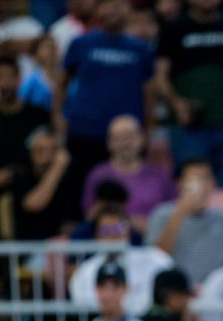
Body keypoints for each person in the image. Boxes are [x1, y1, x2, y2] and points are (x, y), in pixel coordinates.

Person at [55, 0, 155, 185]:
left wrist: (148, 130)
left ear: (128, 9)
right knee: (81, 187)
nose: (113, 10)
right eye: (107, 5)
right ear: (98, 9)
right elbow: (61, 83)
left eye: (119, 5)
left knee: (126, 189)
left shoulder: (141, 49)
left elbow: (148, 93)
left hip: (126, 137)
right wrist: (58, 117)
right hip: (84, 132)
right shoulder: (81, 43)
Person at [155, 0, 223, 188]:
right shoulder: (174, 28)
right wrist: (177, 105)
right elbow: (160, 78)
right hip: (190, 128)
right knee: (192, 190)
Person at [146, 159, 223, 286]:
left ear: (213, 183)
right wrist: (180, 213)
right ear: (179, 184)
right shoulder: (162, 215)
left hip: (215, 294)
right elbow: (154, 259)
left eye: (205, 179)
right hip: (173, 292)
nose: (200, 186)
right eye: (193, 180)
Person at [82, 115, 177, 237]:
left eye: (130, 137)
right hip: (110, 245)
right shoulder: (97, 175)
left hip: (152, 247)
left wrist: (136, 224)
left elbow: (173, 217)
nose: (125, 143)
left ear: (142, 138)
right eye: (119, 138)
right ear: (109, 142)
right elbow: (89, 219)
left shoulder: (161, 176)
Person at [69, 205, 173, 315]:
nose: (113, 234)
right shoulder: (85, 272)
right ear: (97, 236)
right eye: (106, 230)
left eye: (119, 228)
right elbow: (85, 312)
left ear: (129, 231)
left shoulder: (155, 260)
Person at [0, 56, 50, 198]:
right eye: (0, 77)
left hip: (31, 191)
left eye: (10, 77)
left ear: (19, 79)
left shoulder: (37, 116)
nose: (5, 83)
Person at [13, 128, 80, 241]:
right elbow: (35, 204)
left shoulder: (69, 178)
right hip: (31, 248)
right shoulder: (22, 176)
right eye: (40, 151)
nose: (46, 158)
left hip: (65, 247)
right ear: (31, 153)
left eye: (52, 151)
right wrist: (58, 167)